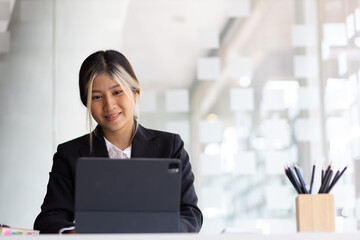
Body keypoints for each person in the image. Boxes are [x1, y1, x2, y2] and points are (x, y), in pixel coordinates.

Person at [34, 50, 203, 233]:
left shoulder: (170, 146)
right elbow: (50, 218)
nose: (109, 105)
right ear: (87, 103)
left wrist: (160, 229)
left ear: (136, 93)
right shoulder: (69, 154)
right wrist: (73, 232)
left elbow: (190, 214)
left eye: (117, 92)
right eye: (97, 97)